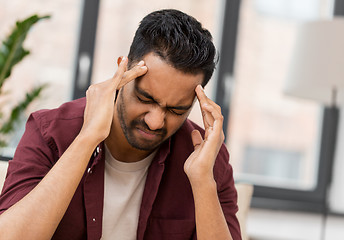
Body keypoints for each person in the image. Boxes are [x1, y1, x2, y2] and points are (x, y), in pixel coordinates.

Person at [0, 9, 241, 240]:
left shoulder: (206, 157)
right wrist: (87, 139)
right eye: (145, 98)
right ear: (123, 71)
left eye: (176, 110)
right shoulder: (51, 131)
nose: (155, 121)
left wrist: (202, 183)